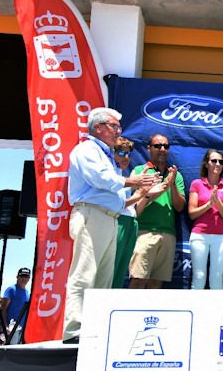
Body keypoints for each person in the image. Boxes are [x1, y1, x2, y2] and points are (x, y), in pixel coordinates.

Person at [64, 107, 159, 343]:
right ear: (98, 128)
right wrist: (133, 181)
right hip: (92, 214)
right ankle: (74, 331)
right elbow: (101, 179)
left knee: (104, 278)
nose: (119, 131)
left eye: (119, 126)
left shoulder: (106, 155)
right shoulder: (87, 149)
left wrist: (142, 191)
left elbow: (116, 195)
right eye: (114, 126)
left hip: (110, 217)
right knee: (85, 273)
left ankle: (94, 328)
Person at [129, 134, 186, 289]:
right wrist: (155, 190)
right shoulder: (140, 171)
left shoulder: (176, 175)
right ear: (149, 148)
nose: (162, 149)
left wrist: (172, 184)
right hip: (143, 232)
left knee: (156, 283)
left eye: (165, 146)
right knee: (138, 280)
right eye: (157, 146)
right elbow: (131, 203)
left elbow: (179, 207)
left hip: (168, 233)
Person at [111, 137, 159, 289]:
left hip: (131, 223)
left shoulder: (122, 174)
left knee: (120, 272)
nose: (126, 157)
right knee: (111, 270)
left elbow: (133, 208)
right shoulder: (112, 176)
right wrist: (140, 193)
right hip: (118, 223)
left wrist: (147, 193)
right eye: (121, 153)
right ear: (112, 153)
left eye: (128, 154)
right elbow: (116, 206)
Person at [188, 149, 223, 290]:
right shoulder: (196, 184)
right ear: (206, 164)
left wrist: (217, 201)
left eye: (221, 161)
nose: (218, 164)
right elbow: (192, 213)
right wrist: (209, 204)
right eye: (214, 161)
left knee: (216, 277)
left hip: (221, 237)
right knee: (199, 276)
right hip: (199, 235)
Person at [1, 268, 31, 337]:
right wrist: (5, 326)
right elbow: (3, 309)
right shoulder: (11, 290)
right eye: (22, 276)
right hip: (11, 329)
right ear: (17, 277)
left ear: (29, 278)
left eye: (26, 276)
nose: (24, 278)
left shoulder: (27, 293)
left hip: (23, 330)